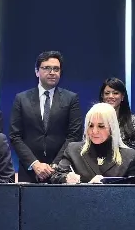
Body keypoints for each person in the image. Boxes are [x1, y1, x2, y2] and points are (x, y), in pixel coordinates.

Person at [9, 51, 82, 183]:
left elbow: (74, 136)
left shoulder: (71, 99)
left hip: (61, 171)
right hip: (29, 171)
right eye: (47, 68)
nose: (52, 72)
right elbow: (15, 136)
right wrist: (35, 164)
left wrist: (55, 166)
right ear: (37, 71)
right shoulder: (21, 99)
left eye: (56, 69)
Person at [50, 103, 135, 184]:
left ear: (112, 128)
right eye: (91, 125)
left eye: (101, 126)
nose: (94, 131)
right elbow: (55, 176)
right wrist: (66, 178)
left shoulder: (129, 156)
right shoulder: (73, 150)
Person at [99, 77, 135, 184]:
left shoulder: (134, 121)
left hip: (127, 178)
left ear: (122, 97)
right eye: (107, 93)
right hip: (100, 177)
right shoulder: (94, 121)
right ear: (102, 96)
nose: (111, 96)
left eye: (115, 93)